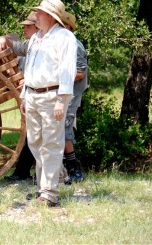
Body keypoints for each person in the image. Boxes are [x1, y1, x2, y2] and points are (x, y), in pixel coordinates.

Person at [21, 0, 77, 207]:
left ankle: (50, 193)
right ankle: (44, 186)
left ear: (52, 17)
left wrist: (62, 101)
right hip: (33, 95)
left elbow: (66, 71)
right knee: (35, 142)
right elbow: (29, 68)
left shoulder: (64, 38)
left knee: (51, 144)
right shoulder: (36, 38)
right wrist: (24, 95)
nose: (36, 16)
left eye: (40, 13)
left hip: (52, 96)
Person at [0, 11, 38, 181]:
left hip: (41, 95)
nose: (25, 29)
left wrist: (27, 79)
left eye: (28, 26)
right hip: (30, 96)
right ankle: (24, 172)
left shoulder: (38, 47)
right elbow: (11, 41)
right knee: (34, 135)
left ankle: (25, 172)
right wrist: (2, 37)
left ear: (37, 27)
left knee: (39, 135)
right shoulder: (28, 48)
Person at [61, 11, 88, 182]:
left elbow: (80, 72)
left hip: (72, 94)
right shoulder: (63, 44)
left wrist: (57, 78)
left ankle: (75, 169)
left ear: (68, 27)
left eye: (61, 25)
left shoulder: (75, 45)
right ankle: (63, 171)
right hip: (63, 93)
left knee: (65, 131)